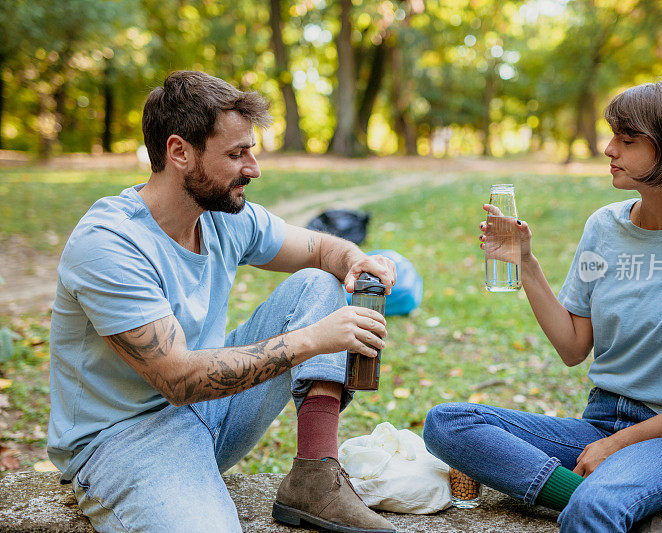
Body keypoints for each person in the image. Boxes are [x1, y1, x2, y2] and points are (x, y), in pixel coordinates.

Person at [47, 70, 398, 533]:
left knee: (319, 282)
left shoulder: (222, 216)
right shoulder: (110, 244)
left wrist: (355, 258)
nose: (253, 169)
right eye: (236, 154)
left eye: (250, 151)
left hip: (210, 413)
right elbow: (178, 379)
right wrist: (313, 340)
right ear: (180, 153)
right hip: (124, 439)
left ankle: (316, 477)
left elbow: (317, 250)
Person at [423, 79, 662, 532]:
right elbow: (573, 348)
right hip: (601, 422)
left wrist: (620, 445)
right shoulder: (603, 228)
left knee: (596, 507)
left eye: (627, 140)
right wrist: (526, 264)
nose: (609, 149)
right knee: (448, 423)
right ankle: (616, 498)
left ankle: (608, 496)